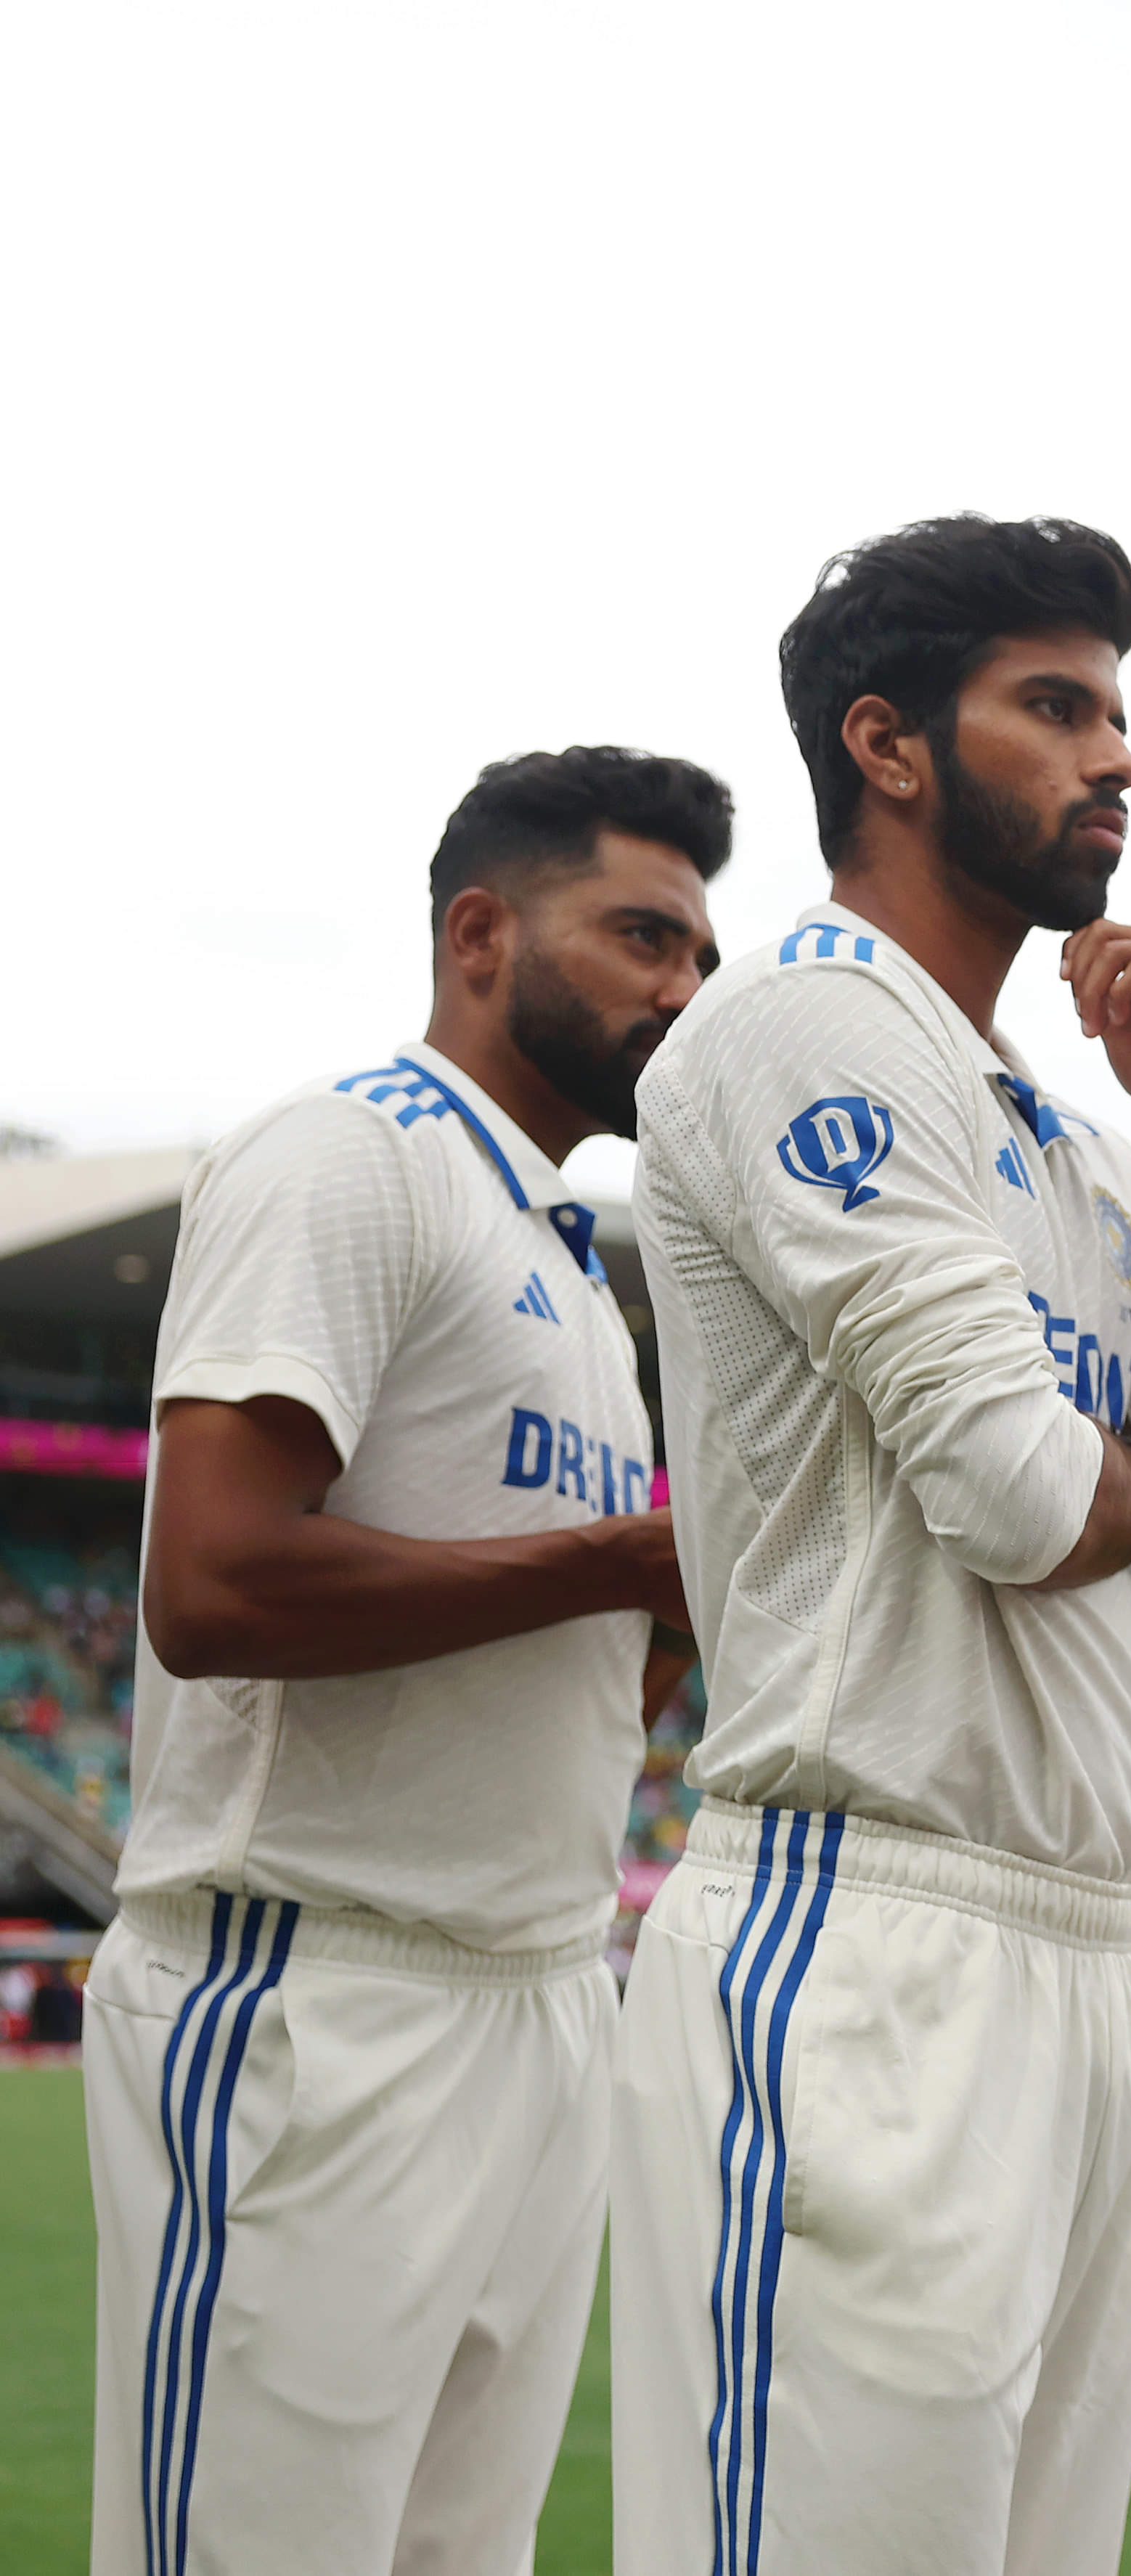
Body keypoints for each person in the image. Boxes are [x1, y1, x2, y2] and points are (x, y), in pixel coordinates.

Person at [616, 514, 1131, 2576]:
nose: (1120, 758)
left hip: (1091, 1947)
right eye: (1059, 706)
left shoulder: (1081, 1145)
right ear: (889, 746)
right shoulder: (805, 1026)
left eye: (1117, 707)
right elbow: (1022, 1497)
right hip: (868, 1925)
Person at [97, 745, 727, 2575]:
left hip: (537, 1986)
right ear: (478, 932)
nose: (681, 989)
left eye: (700, 950)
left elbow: (582, 1669)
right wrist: (622, 1553)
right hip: (315, 1984)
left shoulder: (565, 1257)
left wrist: (666, 1615)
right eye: (639, 933)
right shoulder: (346, 1152)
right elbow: (209, 1582)